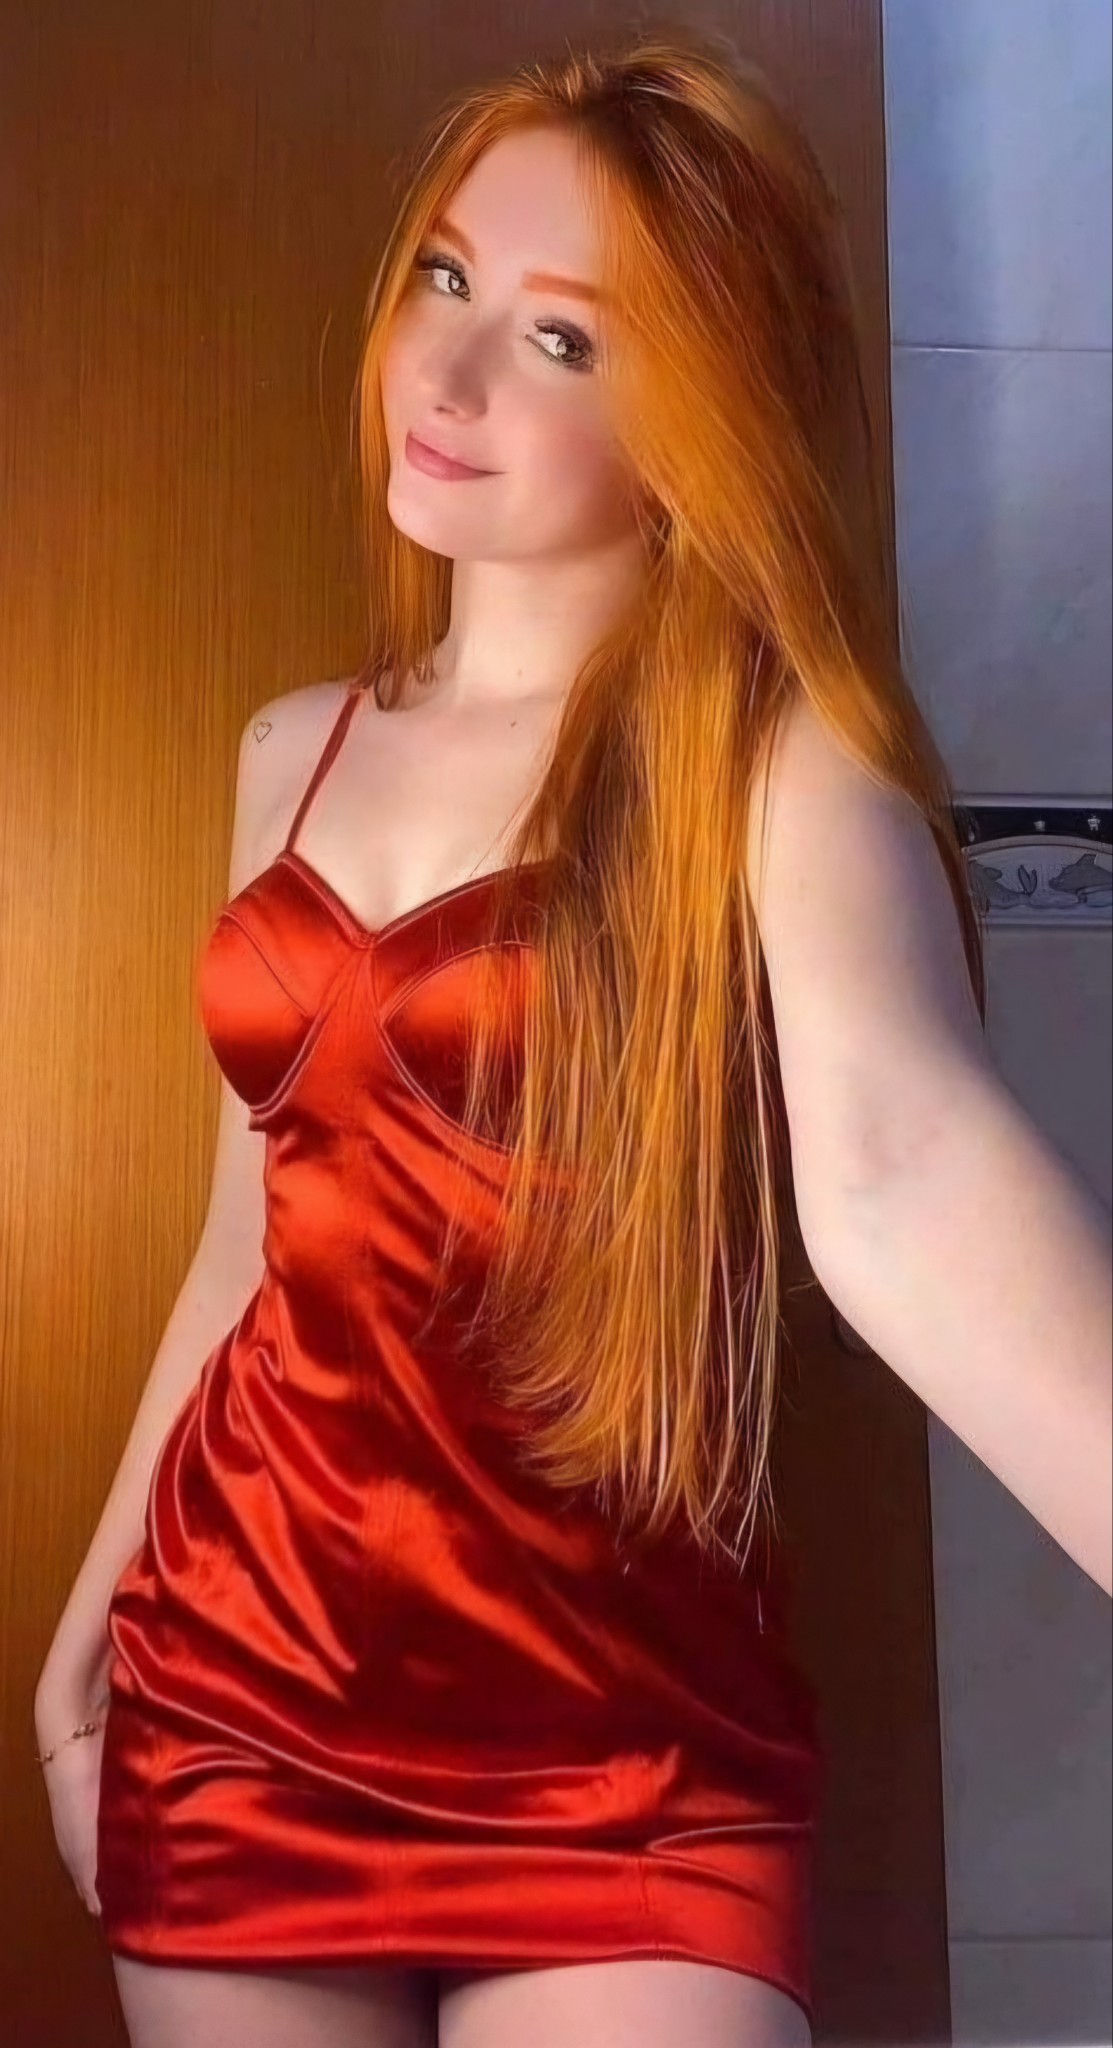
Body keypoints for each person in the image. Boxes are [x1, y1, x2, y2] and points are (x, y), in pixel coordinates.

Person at [34, 24, 1112, 2048]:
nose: (444, 375)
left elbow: (898, 1181)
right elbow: (248, 1242)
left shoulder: (773, 763)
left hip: (624, 1750)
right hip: (237, 1691)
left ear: (699, 412)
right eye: (443, 279)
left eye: (560, 339)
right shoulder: (289, 749)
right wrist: (82, 1643)